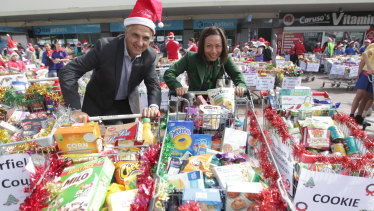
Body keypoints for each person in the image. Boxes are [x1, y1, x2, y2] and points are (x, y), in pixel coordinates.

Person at [59, 0, 162, 124]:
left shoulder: (149, 55)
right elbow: (69, 71)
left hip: (127, 107)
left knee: (132, 140)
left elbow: (153, 84)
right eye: (135, 35)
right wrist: (75, 109)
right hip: (99, 106)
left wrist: (153, 106)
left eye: (145, 38)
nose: (140, 43)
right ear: (126, 33)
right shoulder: (105, 47)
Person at [164, 26, 247, 97]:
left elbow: (237, 74)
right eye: (209, 46)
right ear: (202, 46)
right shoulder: (190, 58)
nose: (213, 51)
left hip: (219, 105)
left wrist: (240, 86)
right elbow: (169, 73)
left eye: (218, 46)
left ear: (223, 47)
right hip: (194, 106)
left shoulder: (224, 58)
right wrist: (177, 86)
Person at [350, 43, 374, 125]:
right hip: (366, 73)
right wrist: (361, 70)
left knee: (367, 97)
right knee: (360, 95)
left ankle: (359, 116)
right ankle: (351, 115)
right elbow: (364, 56)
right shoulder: (372, 46)